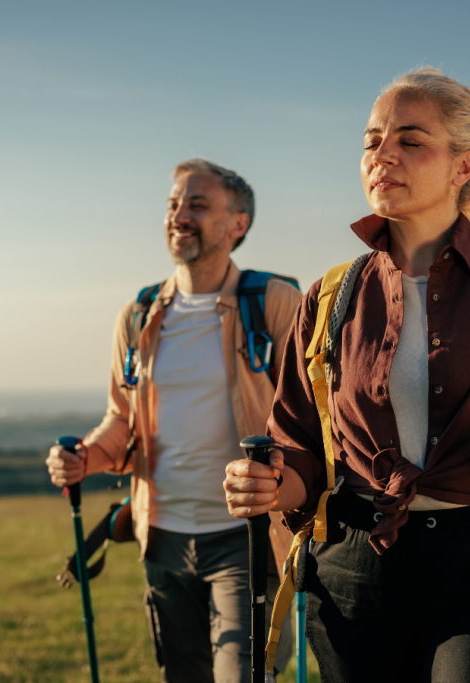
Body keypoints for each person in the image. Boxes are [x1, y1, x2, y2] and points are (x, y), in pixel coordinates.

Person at [223, 68, 470, 681]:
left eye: (410, 140)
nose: (383, 155)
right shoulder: (330, 295)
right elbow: (299, 444)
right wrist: (272, 485)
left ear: (465, 166)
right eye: (372, 140)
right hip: (351, 573)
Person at [47, 159, 301, 683]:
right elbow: (123, 417)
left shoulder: (274, 303)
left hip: (246, 535)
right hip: (160, 537)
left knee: (246, 675)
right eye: (173, 205)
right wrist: (86, 458)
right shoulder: (140, 314)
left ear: (239, 223)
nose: (179, 215)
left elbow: (308, 415)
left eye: (197, 205)